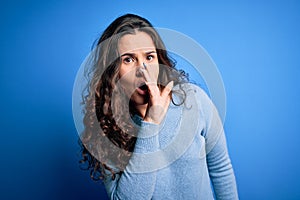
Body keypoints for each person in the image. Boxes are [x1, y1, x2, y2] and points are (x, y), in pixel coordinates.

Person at [79, 13, 238, 199]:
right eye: (128, 59)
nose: (142, 69)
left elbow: (221, 170)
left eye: (149, 57)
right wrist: (151, 123)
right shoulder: (106, 129)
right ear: (112, 71)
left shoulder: (194, 100)